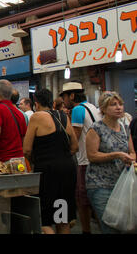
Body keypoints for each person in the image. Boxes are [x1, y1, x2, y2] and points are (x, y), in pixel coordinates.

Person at [22, 89, 78, 234]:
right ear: (52, 102)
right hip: (67, 169)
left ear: (36, 103)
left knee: (43, 218)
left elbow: (27, 149)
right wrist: (62, 156)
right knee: (62, 216)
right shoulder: (64, 116)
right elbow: (75, 147)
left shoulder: (36, 117)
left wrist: (37, 160)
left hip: (47, 170)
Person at [85, 91, 136, 234]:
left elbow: (132, 151)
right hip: (100, 185)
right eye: (113, 105)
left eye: (120, 104)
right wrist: (117, 155)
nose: (119, 107)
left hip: (122, 184)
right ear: (103, 109)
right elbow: (92, 155)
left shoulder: (125, 129)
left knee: (125, 225)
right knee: (110, 226)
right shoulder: (96, 128)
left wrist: (130, 158)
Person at [60, 81, 101, 234]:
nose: (64, 101)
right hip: (95, 159)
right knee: (94, 198)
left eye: (65, 96)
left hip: (85, 161)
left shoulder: (78, 109)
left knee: (82, 199)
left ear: (72, 95)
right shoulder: (92, 107)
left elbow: (74, 138)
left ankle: (86, 230)